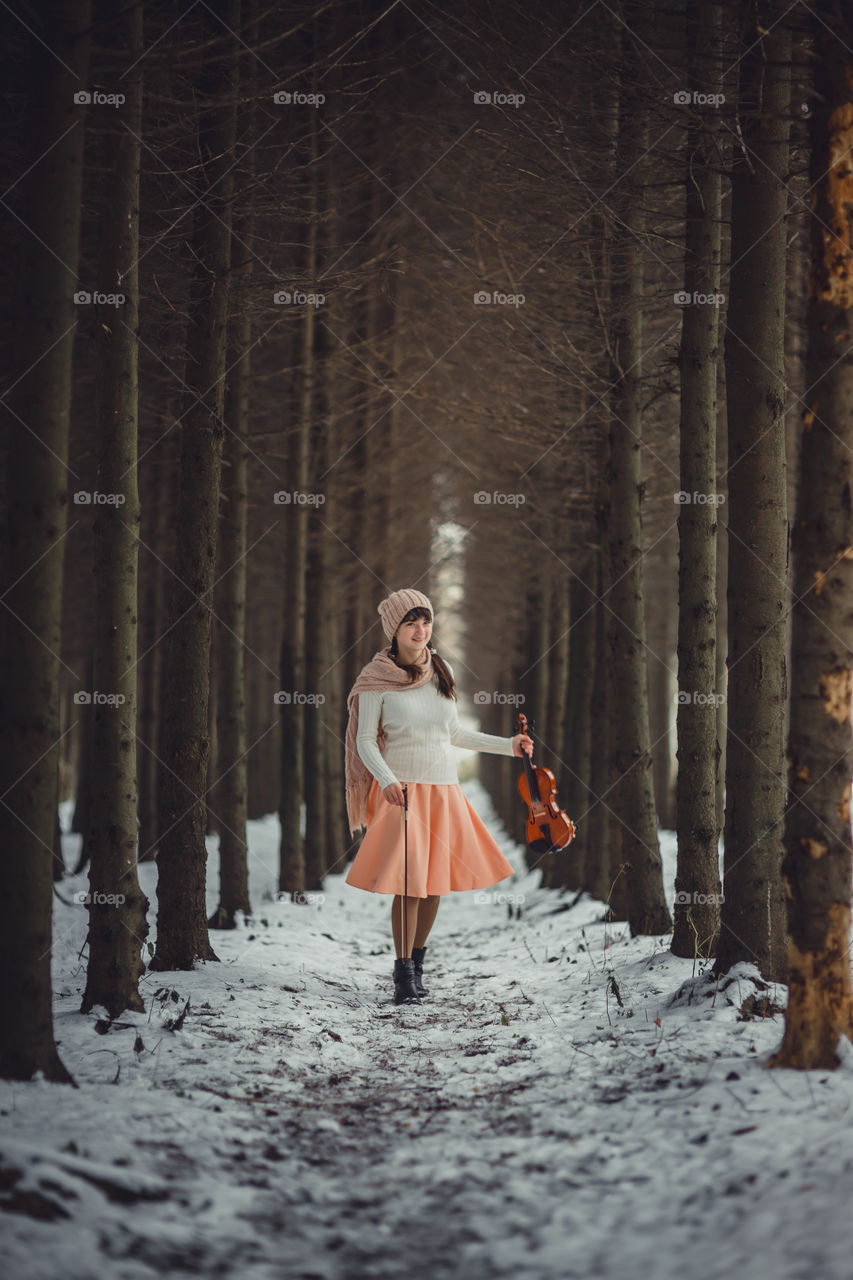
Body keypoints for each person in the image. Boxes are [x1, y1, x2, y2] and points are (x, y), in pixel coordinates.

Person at [344, 587, 533, 1006]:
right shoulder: (376, 680)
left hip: (444, 790)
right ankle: (401, 974)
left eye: (426, 621)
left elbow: (455, 733)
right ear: (394, 629)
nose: (420, 629)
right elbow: (364, 741)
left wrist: (509, 744)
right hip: (402, 792)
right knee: (409, 885)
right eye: (411, 622)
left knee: (432, 887)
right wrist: (387, 780)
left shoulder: (440, 670)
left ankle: (418, 962)